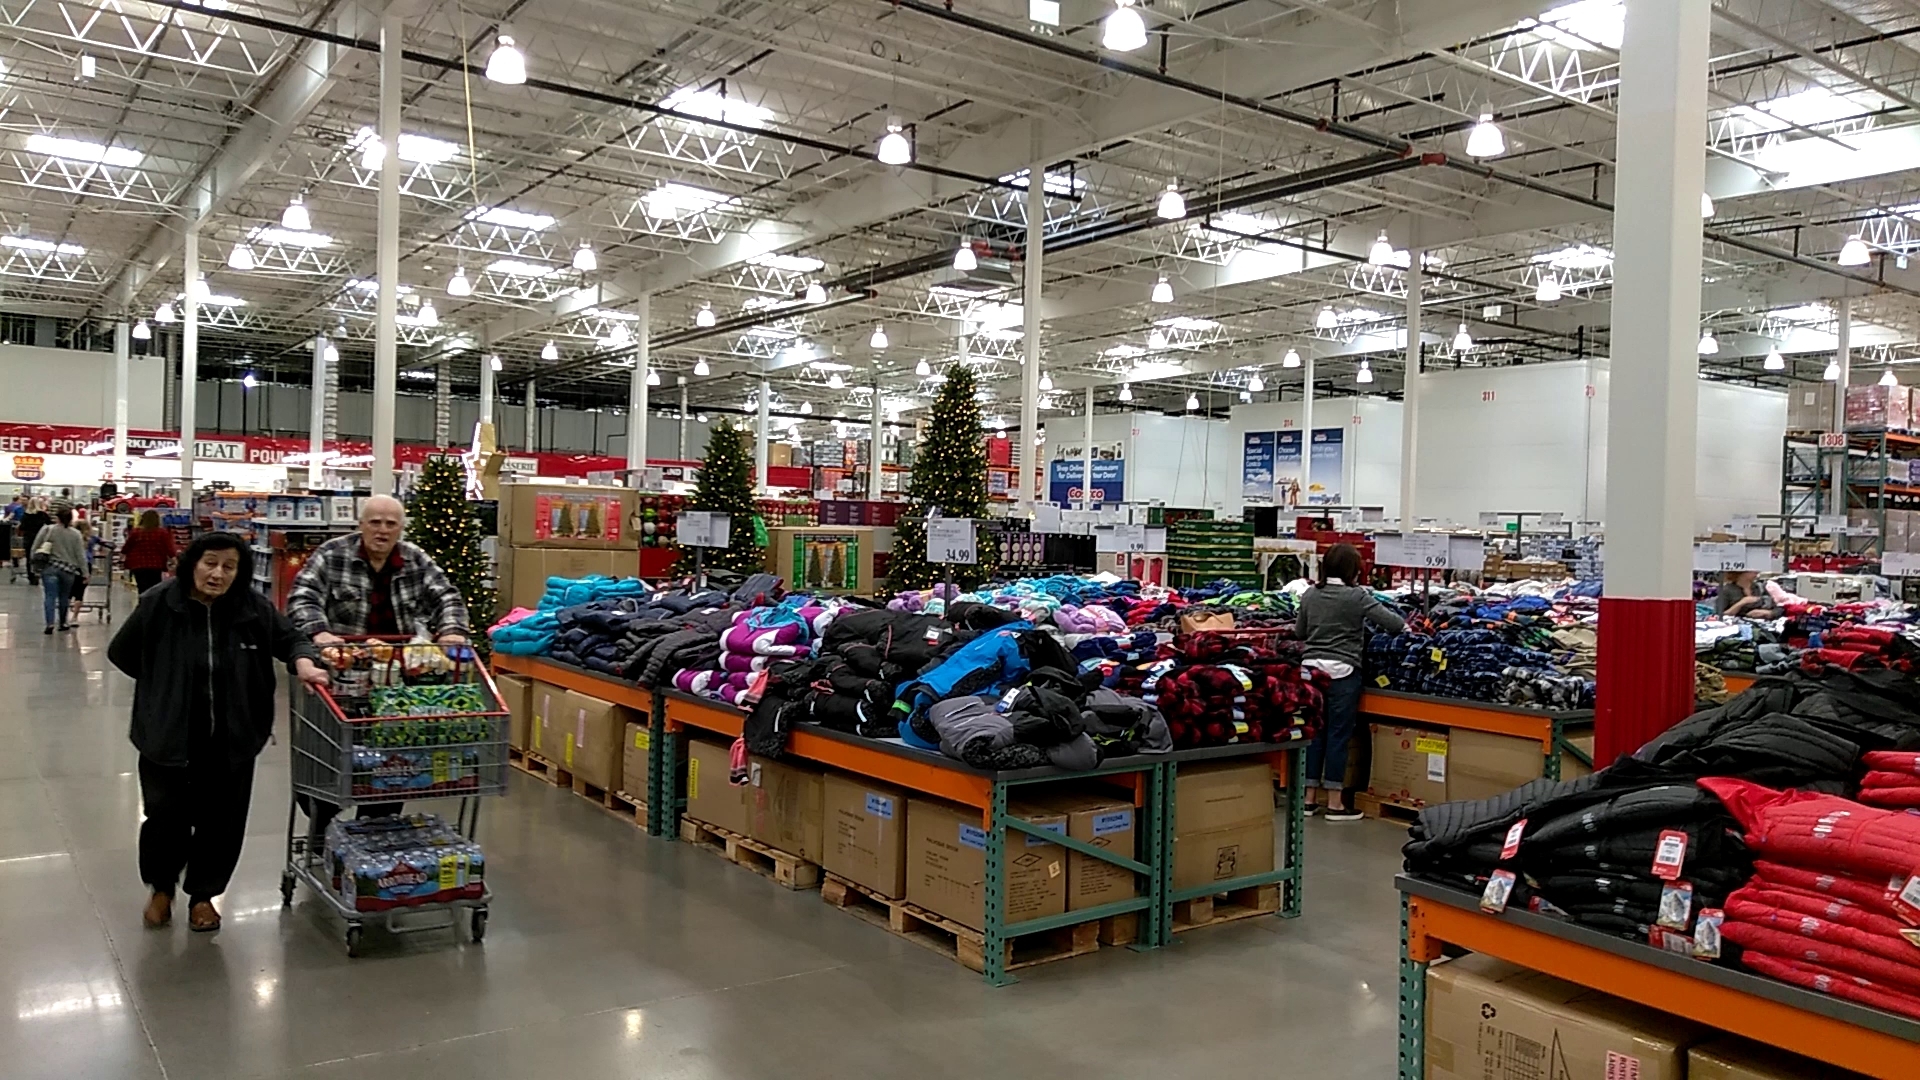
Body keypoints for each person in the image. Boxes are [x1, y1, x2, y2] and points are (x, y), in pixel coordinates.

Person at [108, 532, 328, 931]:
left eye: (229, 567)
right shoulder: (159, 603)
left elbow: (291, 638)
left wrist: (303, 660)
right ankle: (161, 888)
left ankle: (204, 896)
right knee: (165, 815)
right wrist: (163, 687)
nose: (218, 574)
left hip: (232, 737)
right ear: (193, 563)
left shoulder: (252, 608)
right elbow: (121, 653)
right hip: (167, 735)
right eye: (210, 563)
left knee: (222, 820)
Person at [287, 494, 472, 832]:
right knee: (323, 765)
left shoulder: (415, 559)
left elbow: (447, 596)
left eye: (391, 524)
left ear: (401, 528)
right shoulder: (332, 555)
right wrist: (320, 632)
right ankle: (322, 825)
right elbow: (302, 596)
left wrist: (451, 631)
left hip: (394, 686)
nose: (382, 530)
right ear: (361, 524)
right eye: (375, 522)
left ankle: (373, 832)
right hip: (337, 681)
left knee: (390, 766)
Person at [1296, 543, 1406, 821]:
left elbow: (1300, 632)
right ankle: (1335, 803)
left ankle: (1308, 799)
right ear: (1352, 569)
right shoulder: (1356, 596)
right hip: (1343, 671)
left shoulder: (1310, 594)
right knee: (1338, 736)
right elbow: (1393, 623)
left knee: (1314, 733)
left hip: (1311, 671)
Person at [32, 508, 87, 634]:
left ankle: (50, 623)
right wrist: (85, 572)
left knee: (50, 596)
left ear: (57, 518)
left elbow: (35, 547)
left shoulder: (47, 530)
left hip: (50, 568)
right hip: (68, 570)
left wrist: (34, 564)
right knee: (64, 596)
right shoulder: (76, 534)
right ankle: (62, 622)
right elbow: (80, 555)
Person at [123, 510, 178, 595]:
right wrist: (175, 560)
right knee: (155, 588)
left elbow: (127, 547)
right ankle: (152, 602)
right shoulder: (162, 533)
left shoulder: (136, 532)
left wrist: (123, 557)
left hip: (138, 565)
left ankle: (143, 602)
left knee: (142, 587)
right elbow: (169, 548)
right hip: (156, 565)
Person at [1715, 570, 1781, 620]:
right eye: (1751, 570)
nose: (1756, 572)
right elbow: (1719, 615)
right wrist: (1742, 603)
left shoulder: (1761, 587)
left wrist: (1768, 613)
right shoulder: (1726, 590)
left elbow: (1779, 608)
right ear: (1740, 573)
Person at [18, 497, 50, 585]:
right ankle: (39, 574)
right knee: (41, 556)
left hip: (28, 538)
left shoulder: (25, 515)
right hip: (40, 539)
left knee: (29, 558)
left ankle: (31, 576)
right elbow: (49, 524)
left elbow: (22, 527)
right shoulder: (43, 515)